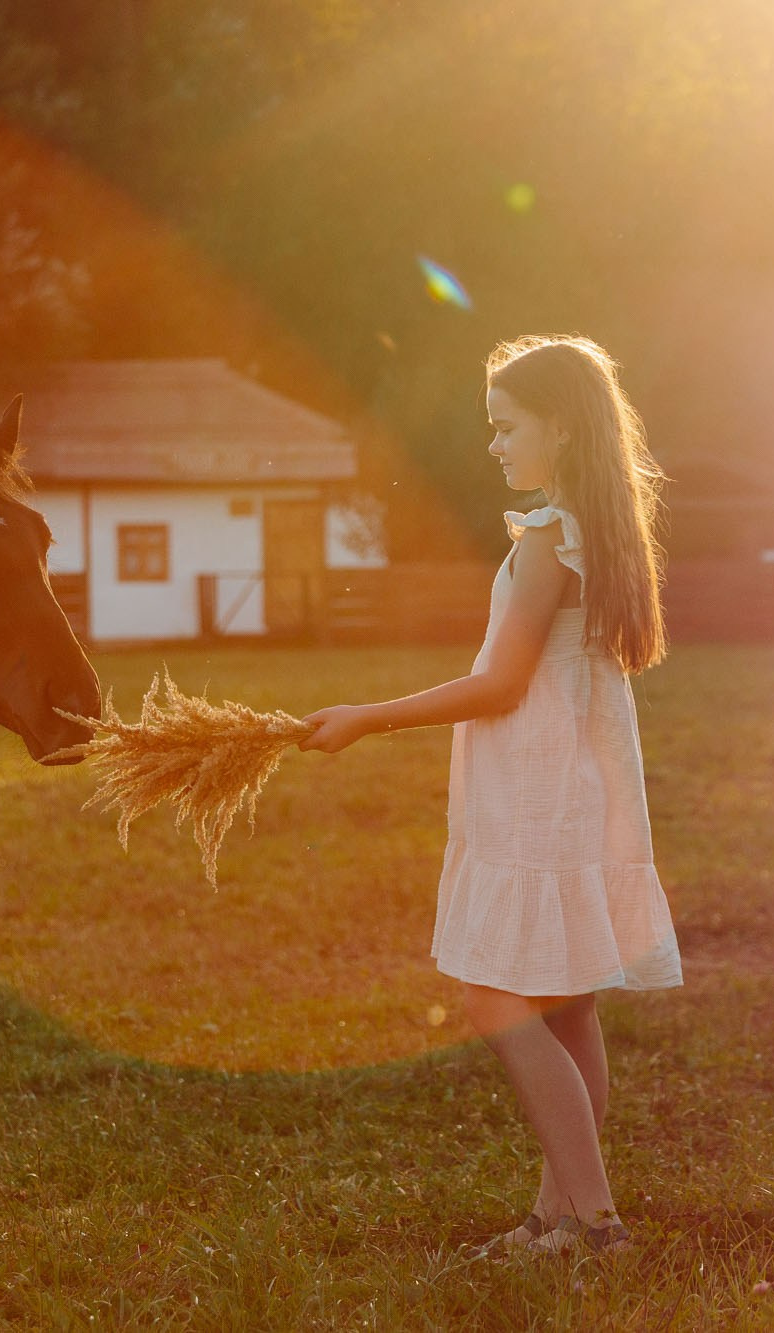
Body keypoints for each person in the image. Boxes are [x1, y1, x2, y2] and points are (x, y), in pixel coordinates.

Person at [300, 334, 682, 1256]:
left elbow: (504, 683)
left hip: (541, 789)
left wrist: (367, 714)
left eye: (505, 426)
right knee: (568, 1004)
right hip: (570, 785)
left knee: (493, 995)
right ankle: (558, 1217)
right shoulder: (592, 528)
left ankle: (596, 1226)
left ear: (557, 423)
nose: (493, 445)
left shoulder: (554, 537)